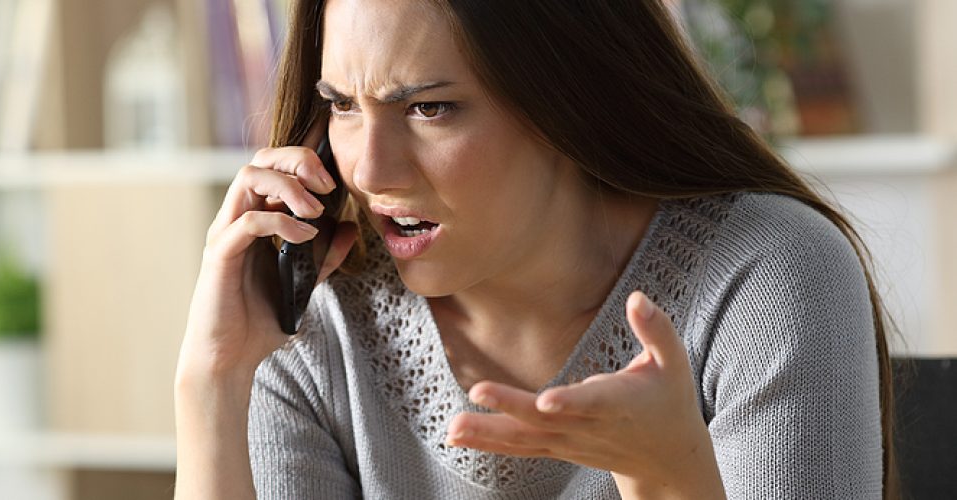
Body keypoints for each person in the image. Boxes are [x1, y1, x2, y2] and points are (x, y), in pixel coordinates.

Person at [175, 0, 894, 498]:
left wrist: (669, 480)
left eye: (430, 108)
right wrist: (212, 385)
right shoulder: (312, 314)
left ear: (567, 100)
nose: (369, 170)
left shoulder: (765, 274)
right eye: (342, 106)